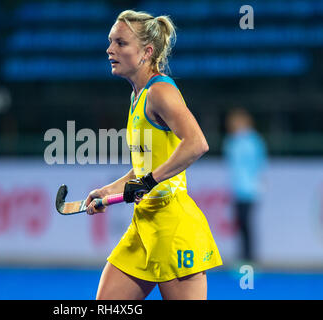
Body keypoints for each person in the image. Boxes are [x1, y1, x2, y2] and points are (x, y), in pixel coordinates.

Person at [85, 10, 223, 300]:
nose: (110, 49)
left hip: (173, 229)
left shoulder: (160, 91)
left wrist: (148, 181)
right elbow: (146, 167)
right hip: (144, 225)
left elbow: (197, 143)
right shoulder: (138, 95)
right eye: (111, 42)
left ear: (147, 52)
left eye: (121, 43)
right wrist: (108, 190)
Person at [223, 108, 267, 264]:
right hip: (237, 189)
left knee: (247, 224)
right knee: (240, 224)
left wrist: (257, 184)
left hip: (250, 189)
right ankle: (242, 257)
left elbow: (260, 164)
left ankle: (250, 258)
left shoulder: (254, 141)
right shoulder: (232, 141)